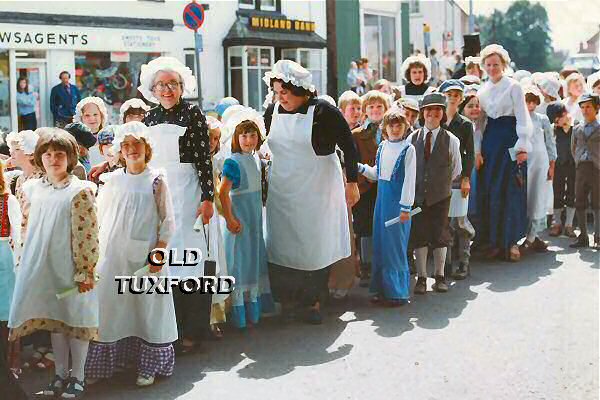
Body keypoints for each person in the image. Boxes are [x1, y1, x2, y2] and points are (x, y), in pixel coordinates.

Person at [263, 60, 360, 324]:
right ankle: (289, 299)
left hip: (317, 188)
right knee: (283, 243)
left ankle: (315, 300)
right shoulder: (272, 111)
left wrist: (352, 182)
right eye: (277, 92)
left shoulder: (324, 111)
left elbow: (349, 147)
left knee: (314, 245)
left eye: (285, 92)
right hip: (283, 186)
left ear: (301, 90)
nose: (280, 97)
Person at [85, 122, 177, 387]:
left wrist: (160, 251)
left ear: (146, 148)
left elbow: (167, 219)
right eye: (126, 146)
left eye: (137, 144)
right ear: (120, 152)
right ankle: (108, 363)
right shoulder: (113, 180)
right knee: (113, 307)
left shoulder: (156, 180)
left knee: (147, 309)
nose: (132, 149)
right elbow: (100, 216)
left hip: (146, 255)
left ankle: (148, 366)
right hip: (114, 254)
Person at [9, 128, 98, 398]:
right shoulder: (33, 188)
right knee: (56, 322)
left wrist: (86, 269)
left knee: (76, 320)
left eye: (60, 154)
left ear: (70, 158)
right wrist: (25, 259)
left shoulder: (79, 190)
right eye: (47, 155)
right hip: (44, 265)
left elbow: (87, 233)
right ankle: (59, 375)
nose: (53, 159)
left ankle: (78, 376)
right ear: (39, 158)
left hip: (71, 266)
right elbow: (27, 227)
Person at [139, 56, 214, 353]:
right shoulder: (148, 118)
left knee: (192, 262)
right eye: (162, 84)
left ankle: (193, 331)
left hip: (188, 192)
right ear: (152, 89)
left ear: (183, 87)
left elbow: (202, 159)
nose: (167, 89)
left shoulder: (193, 114)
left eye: (173, 84)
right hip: (159, 192)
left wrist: (208, 198)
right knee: (165, 261)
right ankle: (168, 329)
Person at [475, 44, 531, 262]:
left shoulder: (514, 87)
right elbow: (480, 125)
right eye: (488, 65)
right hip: (491, 143)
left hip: (510, 140)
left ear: (504, 65)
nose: (492, 68)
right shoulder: (482, 90)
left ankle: (512, 242)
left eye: (496, 64)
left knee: (512, 189)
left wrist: (522, 147)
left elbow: (522, 117)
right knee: (493, 190)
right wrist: (478, 150)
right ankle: (496, 242)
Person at [357, 108, 415, 306]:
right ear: (385, 129)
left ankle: (397, 292)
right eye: (391, 125)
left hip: (398, 204)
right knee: (380, 244)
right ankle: (381, 289)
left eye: (399, 125)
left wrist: (406, 207)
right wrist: (361, 168)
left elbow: (409, 181)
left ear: (405, 127)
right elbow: (377, 174)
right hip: (381, 202)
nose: (395, 129)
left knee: (395, 246)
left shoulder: (409, 150)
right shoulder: (382, 147)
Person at [219, 117, 273, 329]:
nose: (248, 140)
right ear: (236, 138)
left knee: (254, 259)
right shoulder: (233, 162)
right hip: (240, 220)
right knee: (240, 263)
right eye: (244, 136)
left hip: (255, 220)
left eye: (252, 135)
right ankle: (240, 312)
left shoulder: (255, 159)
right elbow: (223, 192)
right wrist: (231, 219)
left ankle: (254, 308)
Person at [408, 93, 462, 294]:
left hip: (440, 196)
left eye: (438, 110)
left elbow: (456, 169)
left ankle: (439, 276)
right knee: (419, 234)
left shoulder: (451, 140)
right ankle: (421, 277)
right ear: (422, 113)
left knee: (440, 234)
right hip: (417, 195)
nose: (433, 114)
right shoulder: (412, 138)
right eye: (429, 109)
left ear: (442, 113)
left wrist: (440, 183)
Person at [352, 91, 389, 287]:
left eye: (379, 107)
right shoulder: (357, 134)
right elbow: (352, 161)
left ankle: (383, 265)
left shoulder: (391, 131)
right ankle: (366, 266)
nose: (375, 110)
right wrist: (364, 180)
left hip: (385, 188)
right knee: (365, 227)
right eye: (371, 107)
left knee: (385, 226)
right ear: (365, 111)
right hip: (365, 188)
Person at [439, 80, 475, 279]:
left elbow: (469, 153)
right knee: (443, 222)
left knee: (460, 222)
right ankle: (446, 264)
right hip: (441, 177)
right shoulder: (438, 121)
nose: (452, 98)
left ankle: (464, 261)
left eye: (456, 95)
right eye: (449, 95)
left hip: (459, 176)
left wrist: (466, 178)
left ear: (461, 99)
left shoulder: (465, 124)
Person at [520, 86, 557, 253]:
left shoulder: (542, 119)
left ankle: (532, 236)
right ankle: (523, 234)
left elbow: (550, 142)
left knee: (538, 197)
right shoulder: (518, 118)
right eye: (527, 101)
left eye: (533, 102)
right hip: (524, 162)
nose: (530, 105)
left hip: (540, 162)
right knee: (523, 198)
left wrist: (552, 165)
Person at [570, 94, 600, 249]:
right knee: (580, 201)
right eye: (582, 107)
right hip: (582, 167)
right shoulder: (577, 128)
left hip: (597, 168)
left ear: (597, 108)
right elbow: (573, 147)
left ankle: (598, 236)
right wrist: (578, 160)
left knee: (597, 202)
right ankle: (582, 236)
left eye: (588, 106)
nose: (585, 110)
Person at [0, 161, 22, 375]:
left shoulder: (8, 200)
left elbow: (18, 234)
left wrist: (19, 262)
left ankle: (12, 363)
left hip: (4, 257)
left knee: (8, 315)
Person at [546, 102, 577, 238]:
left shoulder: (576, 127)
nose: (559, 122)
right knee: (557, 192)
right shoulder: (553, 130)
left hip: (573, 164)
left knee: (572, 192)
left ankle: (569, 224)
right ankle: (557, 223)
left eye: (559, 118)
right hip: (558, 164)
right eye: (556, 121)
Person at [74, 97, 108, 169]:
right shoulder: (77, 141)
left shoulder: (108, 137)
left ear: (101, 116)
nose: (92, 118)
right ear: (81, 118)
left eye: (95, 114)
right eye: (87, 115)